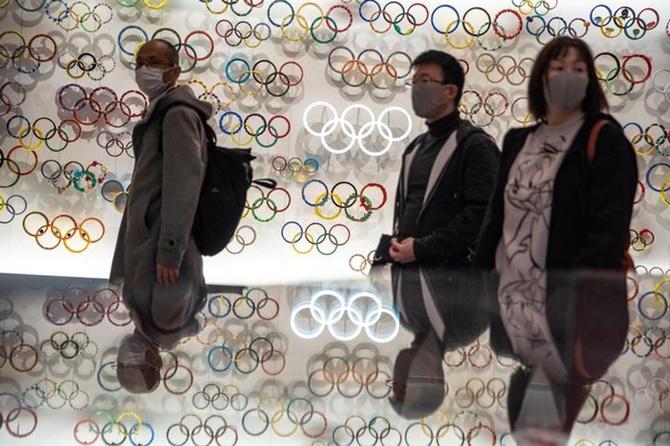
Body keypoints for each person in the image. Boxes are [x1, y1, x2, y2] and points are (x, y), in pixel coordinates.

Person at [473, 37, 637, 442]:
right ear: (541, 76)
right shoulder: (517, 140)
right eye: (558, 68)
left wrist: (573, 291)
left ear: (591, 80)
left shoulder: (604, 138)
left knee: (556, 398)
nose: (568, 76)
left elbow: (608, 229)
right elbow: (497, 216)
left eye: (579, 69)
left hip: (569, 312)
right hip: (512, 307)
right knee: (524, 408)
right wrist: (474, 282)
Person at [109, 39, 212, 393]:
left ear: (174, 70)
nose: (143, 68)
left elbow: (184, 185)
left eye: (153, 61)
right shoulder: (163, 111)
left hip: (162, 255)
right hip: (152, 249)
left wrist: (170, 248)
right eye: (140, 61)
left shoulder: (178, 113)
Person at [384, 50, 499, 267]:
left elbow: (483, 215)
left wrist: (422, 248)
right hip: (410, 273)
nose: (417, 89)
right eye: (414, 82)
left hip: (455, 278)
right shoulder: (414, 148)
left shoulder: (475, 145)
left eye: (425, 81)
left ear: (450, 91)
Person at [387, 265, 488, 418]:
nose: (397, 378)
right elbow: (482, 256)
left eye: (394, 385)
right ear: (432, 379)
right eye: (405, 388)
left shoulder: (405, 319)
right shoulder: (465, 326)